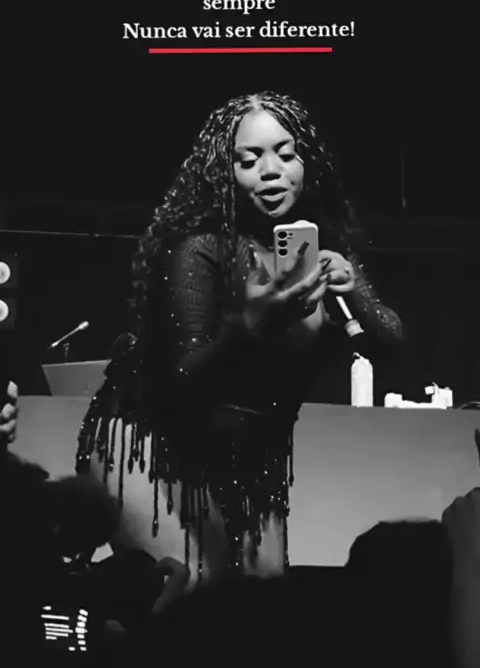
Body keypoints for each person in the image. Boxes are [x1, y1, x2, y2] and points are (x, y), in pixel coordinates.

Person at [76, 91, 403, 583]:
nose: (270, 171)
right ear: (223, 173)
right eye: (248, 160)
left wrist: (353, 291)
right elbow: (183, 381)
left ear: (307, 162)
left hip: (251, 454)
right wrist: (251, 326)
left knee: (258, 602)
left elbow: (392, 343)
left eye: (285, 154)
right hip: (157, 441)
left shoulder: (327, 250)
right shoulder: (200, 249)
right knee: (185, 594)